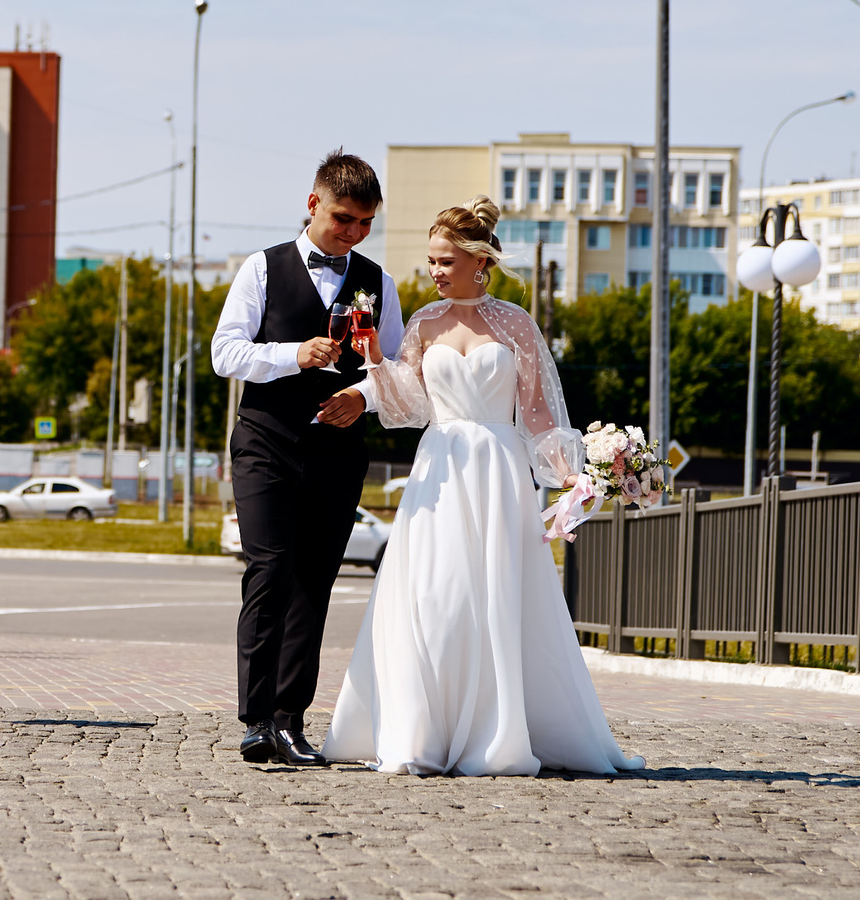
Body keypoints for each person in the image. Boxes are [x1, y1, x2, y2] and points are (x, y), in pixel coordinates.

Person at [324, 200, 643, 776]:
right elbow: (409, 405)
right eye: (431, 261)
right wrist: (374, 358)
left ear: (479, 261)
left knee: (496, 594)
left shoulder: (517, 324)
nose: (436, 271)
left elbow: (540, 415)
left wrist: (571, 472)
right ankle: (421, 729)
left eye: (446, 261)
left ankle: (499, 731)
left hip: (498, 472)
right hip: (439, 470)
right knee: (435, 594)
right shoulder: (423, 323)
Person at [209, 149, 401, 767]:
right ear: (313, 203)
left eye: (365, 224)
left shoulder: (379, 281)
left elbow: (395, 372)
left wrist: (361, 394)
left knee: (313, 580)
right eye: (344, 218)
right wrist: (294, 355)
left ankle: (291, 721)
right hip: (266, 439)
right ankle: (256, 719)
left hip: (338, 450)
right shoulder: (261, 269)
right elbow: (225, 353)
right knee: (269, 569)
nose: (353, 233)